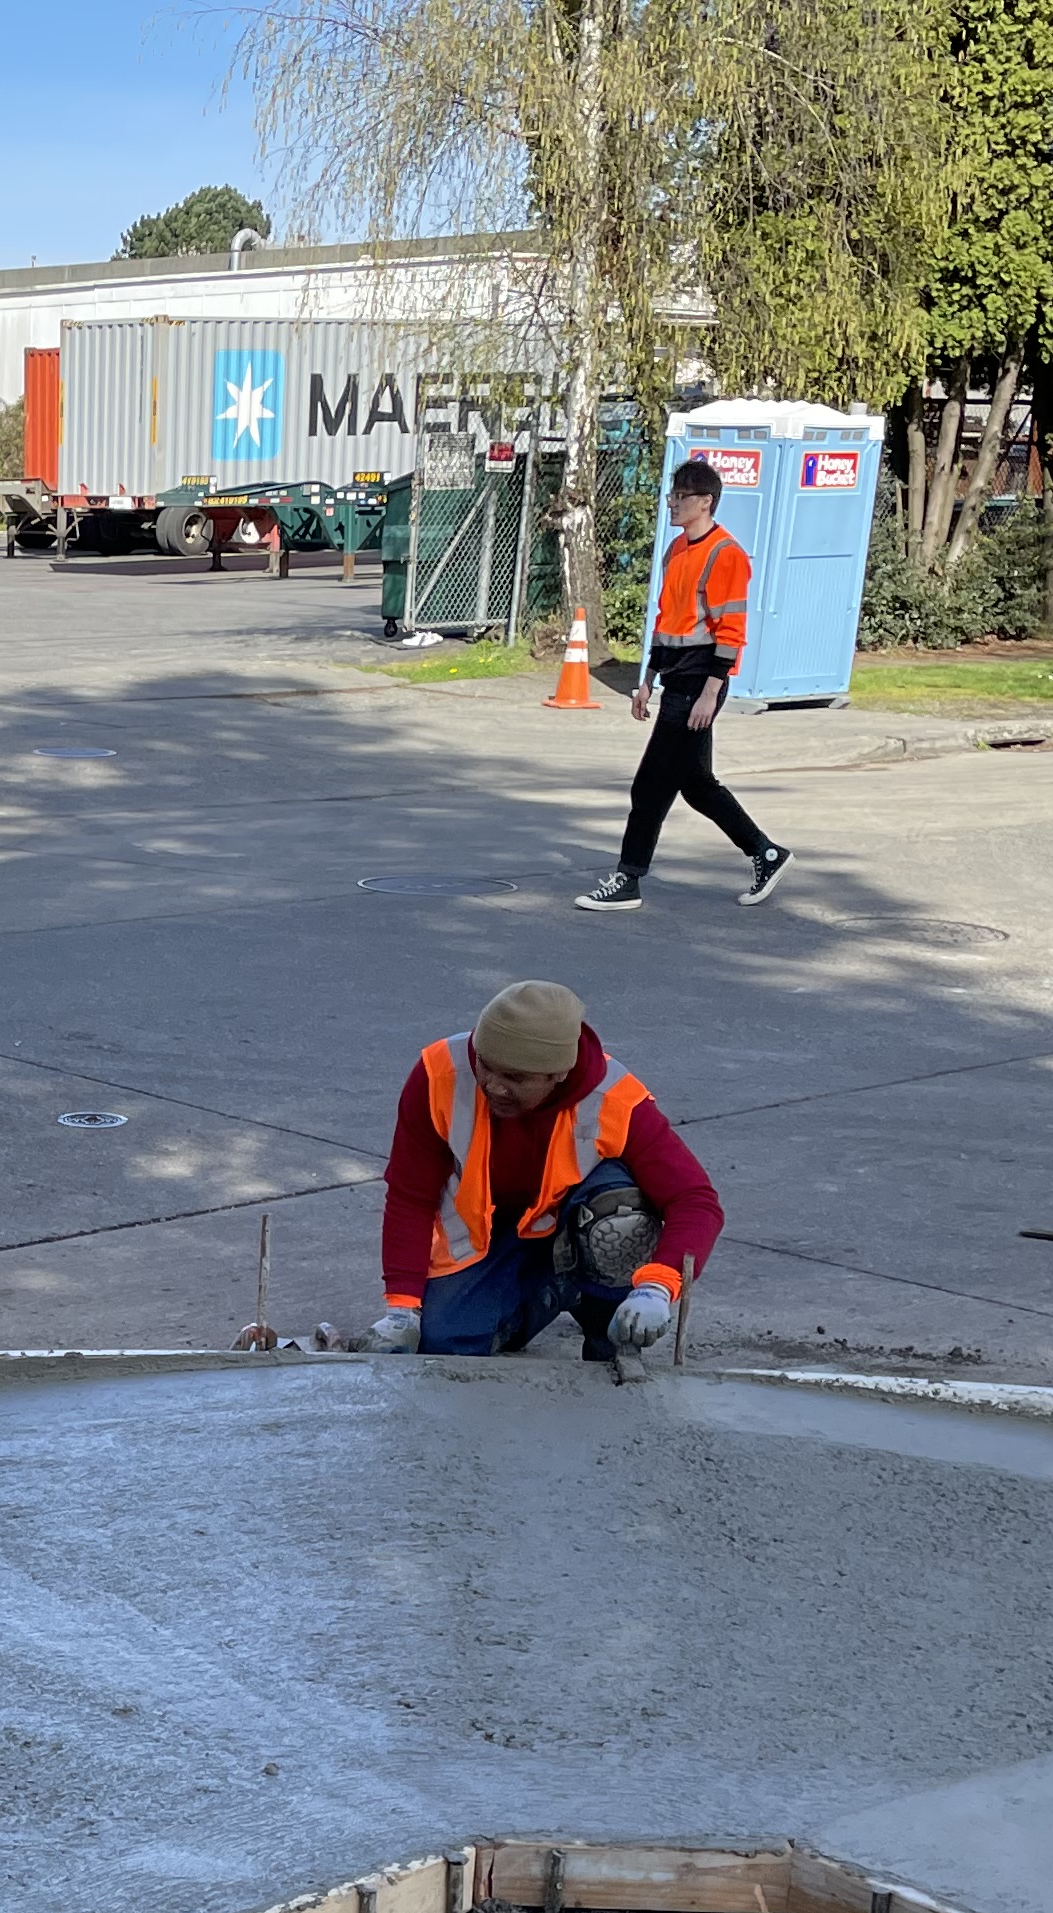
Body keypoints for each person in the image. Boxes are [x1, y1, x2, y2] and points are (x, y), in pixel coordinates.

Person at [366, 980, 722, 1358]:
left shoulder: (614, 1099)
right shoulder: (440, 1074)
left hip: (580, 1225)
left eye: (516, 1078)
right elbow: (410, 1196)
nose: (494, 1087)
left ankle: (610, 1338)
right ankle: (546, 1295)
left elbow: (695, 1200)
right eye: (485, 1065)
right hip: (496, 1236)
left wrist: (659, 1285)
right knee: (444, 1343)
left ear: (559, 1075)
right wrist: (403, 1309)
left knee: (620, 1215)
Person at [577, 458, 792, 912]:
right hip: (674, 675)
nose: (672, 503)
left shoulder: (725, 554)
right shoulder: (677, 549)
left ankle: (628, 878)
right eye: (672, 495)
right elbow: (666, 622)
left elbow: (732, 630)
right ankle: (766, 853)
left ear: (706, 502)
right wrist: (646, 680)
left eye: (681, 496)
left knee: (651, 784)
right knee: (696, 784)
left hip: (700, 681)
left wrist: (711, 693)